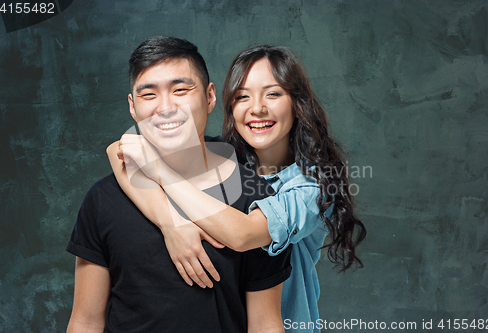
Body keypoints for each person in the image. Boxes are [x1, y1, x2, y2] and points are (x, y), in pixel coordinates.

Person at [110, 45, 366, 333]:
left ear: (297, 102)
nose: (256, 108)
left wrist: (161, 172)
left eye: (273, 93)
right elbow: (119, 151)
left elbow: (243, 234)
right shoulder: (221, 155)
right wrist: (171, 224)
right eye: (242, 96)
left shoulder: (313, 186)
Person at [66, 36, 292, 333]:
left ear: (210, 97)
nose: (166, 107)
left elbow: (264, 323)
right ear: (132, 107)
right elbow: (85, 320)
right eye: (149, 95)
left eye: (181, 90)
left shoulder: (256, 198)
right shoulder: (104, 198)